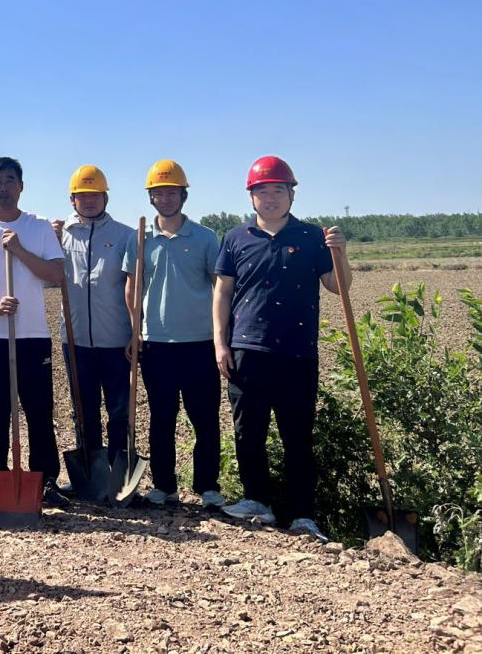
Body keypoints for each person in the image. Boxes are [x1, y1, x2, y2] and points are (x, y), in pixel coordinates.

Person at [213, 155, 348, 541]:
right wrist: (220, 342)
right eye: (262, 191)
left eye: (278, 190)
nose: (270, 198)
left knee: (297, 435)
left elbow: (338, 287)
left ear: (291, 194)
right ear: (251, 197)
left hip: (297, 353)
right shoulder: (235, 238)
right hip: (246, 348)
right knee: (247, 431)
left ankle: (303, 514)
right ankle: (257, 500)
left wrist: (340, 253)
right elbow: (222, 293)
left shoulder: (312, 237)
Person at [0, 157, 68, 507]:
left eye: (9, 180)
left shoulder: (38, 227)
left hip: (32, 334)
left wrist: (19, 250)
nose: (3, 187)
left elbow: (56, 274)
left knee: (39, 410)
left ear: (21, 186)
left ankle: (45, 479)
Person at [122, 159, 223, 509]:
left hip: (200, 342)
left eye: (171, 193)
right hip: (156, 343)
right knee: (162, 418)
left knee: (205, 419)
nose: (165, 199)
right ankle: (164, 486)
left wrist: (221, 334)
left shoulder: (205, 237)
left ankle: (208, 487)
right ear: (151, 197)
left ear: (183, 195)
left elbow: (219, 286)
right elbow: (132, 288)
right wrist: (134, 330)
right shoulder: (139, 239)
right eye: (159, 193)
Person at [53, 164, 135, 480]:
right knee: (83, 410)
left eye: (95, 195)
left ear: (105, 197)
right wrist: (50, 241)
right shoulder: (59, 235)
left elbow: (135, 287)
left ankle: (118, 473)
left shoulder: (126, 236)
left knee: (119, 411)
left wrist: (134, 331)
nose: (89, 201)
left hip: (116, 339)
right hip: (75, 341)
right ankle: (90, 474)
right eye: (82, 196)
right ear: (72, 199)